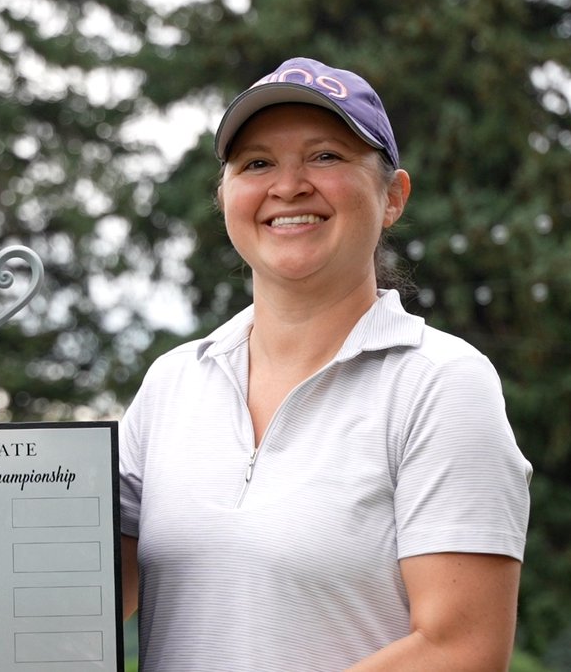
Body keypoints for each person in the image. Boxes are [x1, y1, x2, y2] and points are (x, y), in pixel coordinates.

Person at [118, 57, 532, 671]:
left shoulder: (440, 383)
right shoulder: (171, 383)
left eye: (326, 156)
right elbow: (85, 594)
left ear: (393, 197)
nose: (288, 186)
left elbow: (460, 649)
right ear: (225, 196)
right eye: (257, 163)